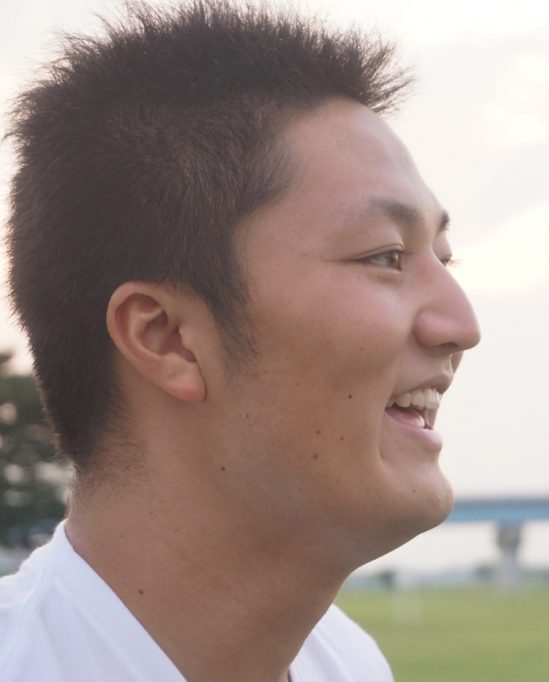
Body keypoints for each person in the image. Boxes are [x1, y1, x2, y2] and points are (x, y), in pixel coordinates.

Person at [0, 1, 480, 680]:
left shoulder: (349, 663)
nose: (461, 325)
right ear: (166, 337)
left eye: (445, 258)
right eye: (385, 256)